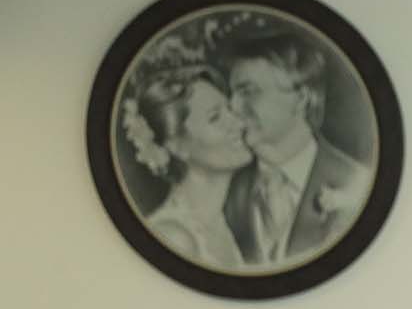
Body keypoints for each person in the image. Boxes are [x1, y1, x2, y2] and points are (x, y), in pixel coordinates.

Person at [221, 30, 369, 267]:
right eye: (232, 94)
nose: (232, 107)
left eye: (248, 92)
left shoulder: (357, 183)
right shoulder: (222, 190)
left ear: (301, 98)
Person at [128, 66, 252, 270]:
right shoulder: (173, 236)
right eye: (215, 117)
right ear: (177, 146)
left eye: (229, 109)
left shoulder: (219, 223)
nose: (238, 123)